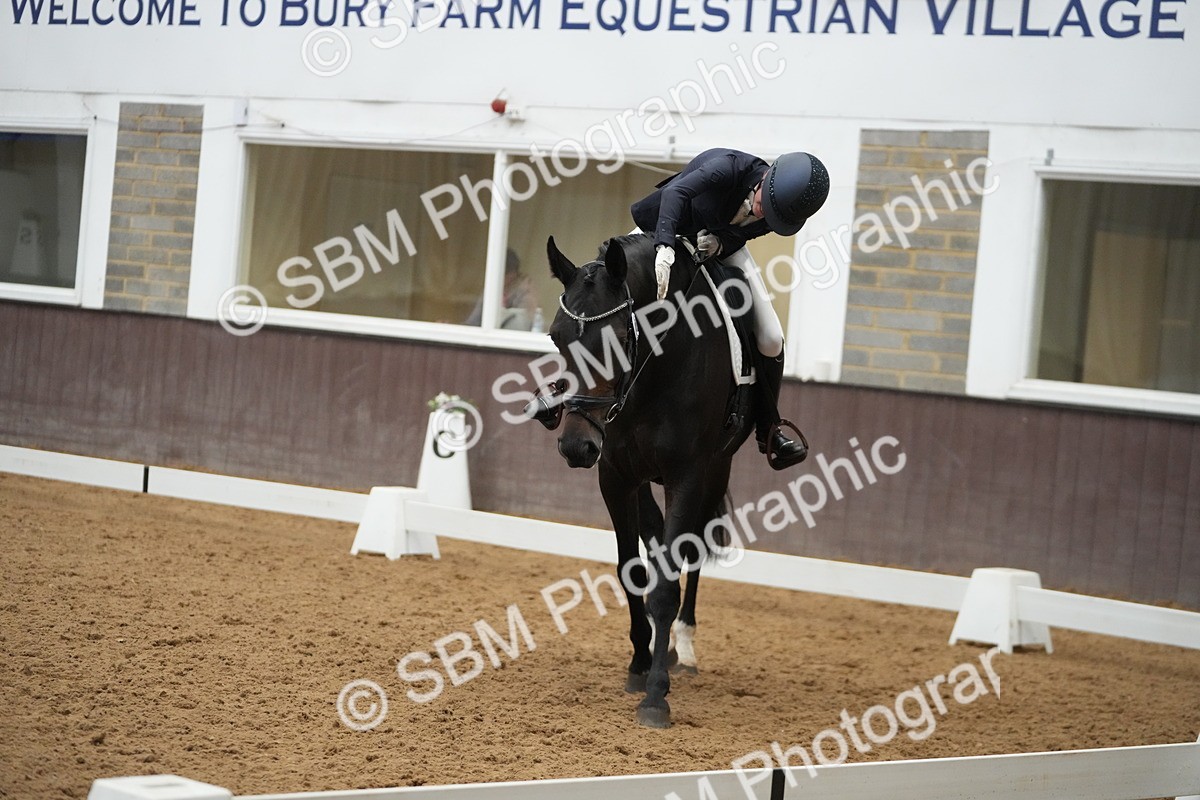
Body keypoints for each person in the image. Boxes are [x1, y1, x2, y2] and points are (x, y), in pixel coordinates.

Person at [630, 148, 830, 470]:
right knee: (606, 286)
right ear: (767, 178)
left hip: (717, 246)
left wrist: (723, 243)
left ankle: (768, 430)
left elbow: (746, 231)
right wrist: (665, 245)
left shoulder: (779, 212)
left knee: (771, 337)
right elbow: (676, 193)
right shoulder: (725, 169)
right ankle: (562, 389)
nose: (763, 215)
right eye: (765, 205)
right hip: (667, 226)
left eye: (773, 216)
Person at [464, 248, 537, 329]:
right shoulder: (491, 288)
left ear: (513, 274)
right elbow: (473, 321)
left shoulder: (525, 291)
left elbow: (523, 324)